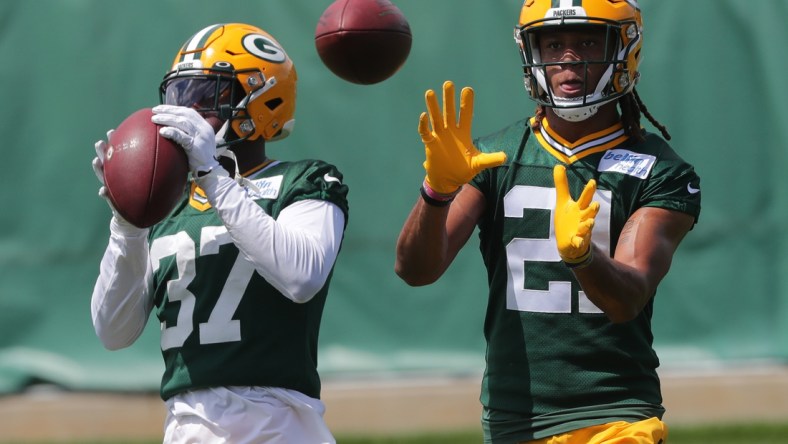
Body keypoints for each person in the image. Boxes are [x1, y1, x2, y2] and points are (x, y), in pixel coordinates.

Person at [395, 1, 700, 443]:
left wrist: (583, 257)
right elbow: (416, 270)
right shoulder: (495, 156)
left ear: (625, 48)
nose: (569, 58)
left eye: (588, 41)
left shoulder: (662, 170)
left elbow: (626, 299)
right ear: (530, 52)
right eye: (554, 43)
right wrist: (436, 193)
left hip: (613, 414)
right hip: (513, 415)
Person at [91, 23, 349, 444]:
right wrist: (127, 222)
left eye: (206, 95)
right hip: (187, 427)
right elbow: (112, 331)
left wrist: (213, 176)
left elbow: (301, 277)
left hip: (279, 424)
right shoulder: (170, 204)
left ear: (265, 99)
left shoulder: (305, 180)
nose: (188, 110)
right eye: (181, 95)